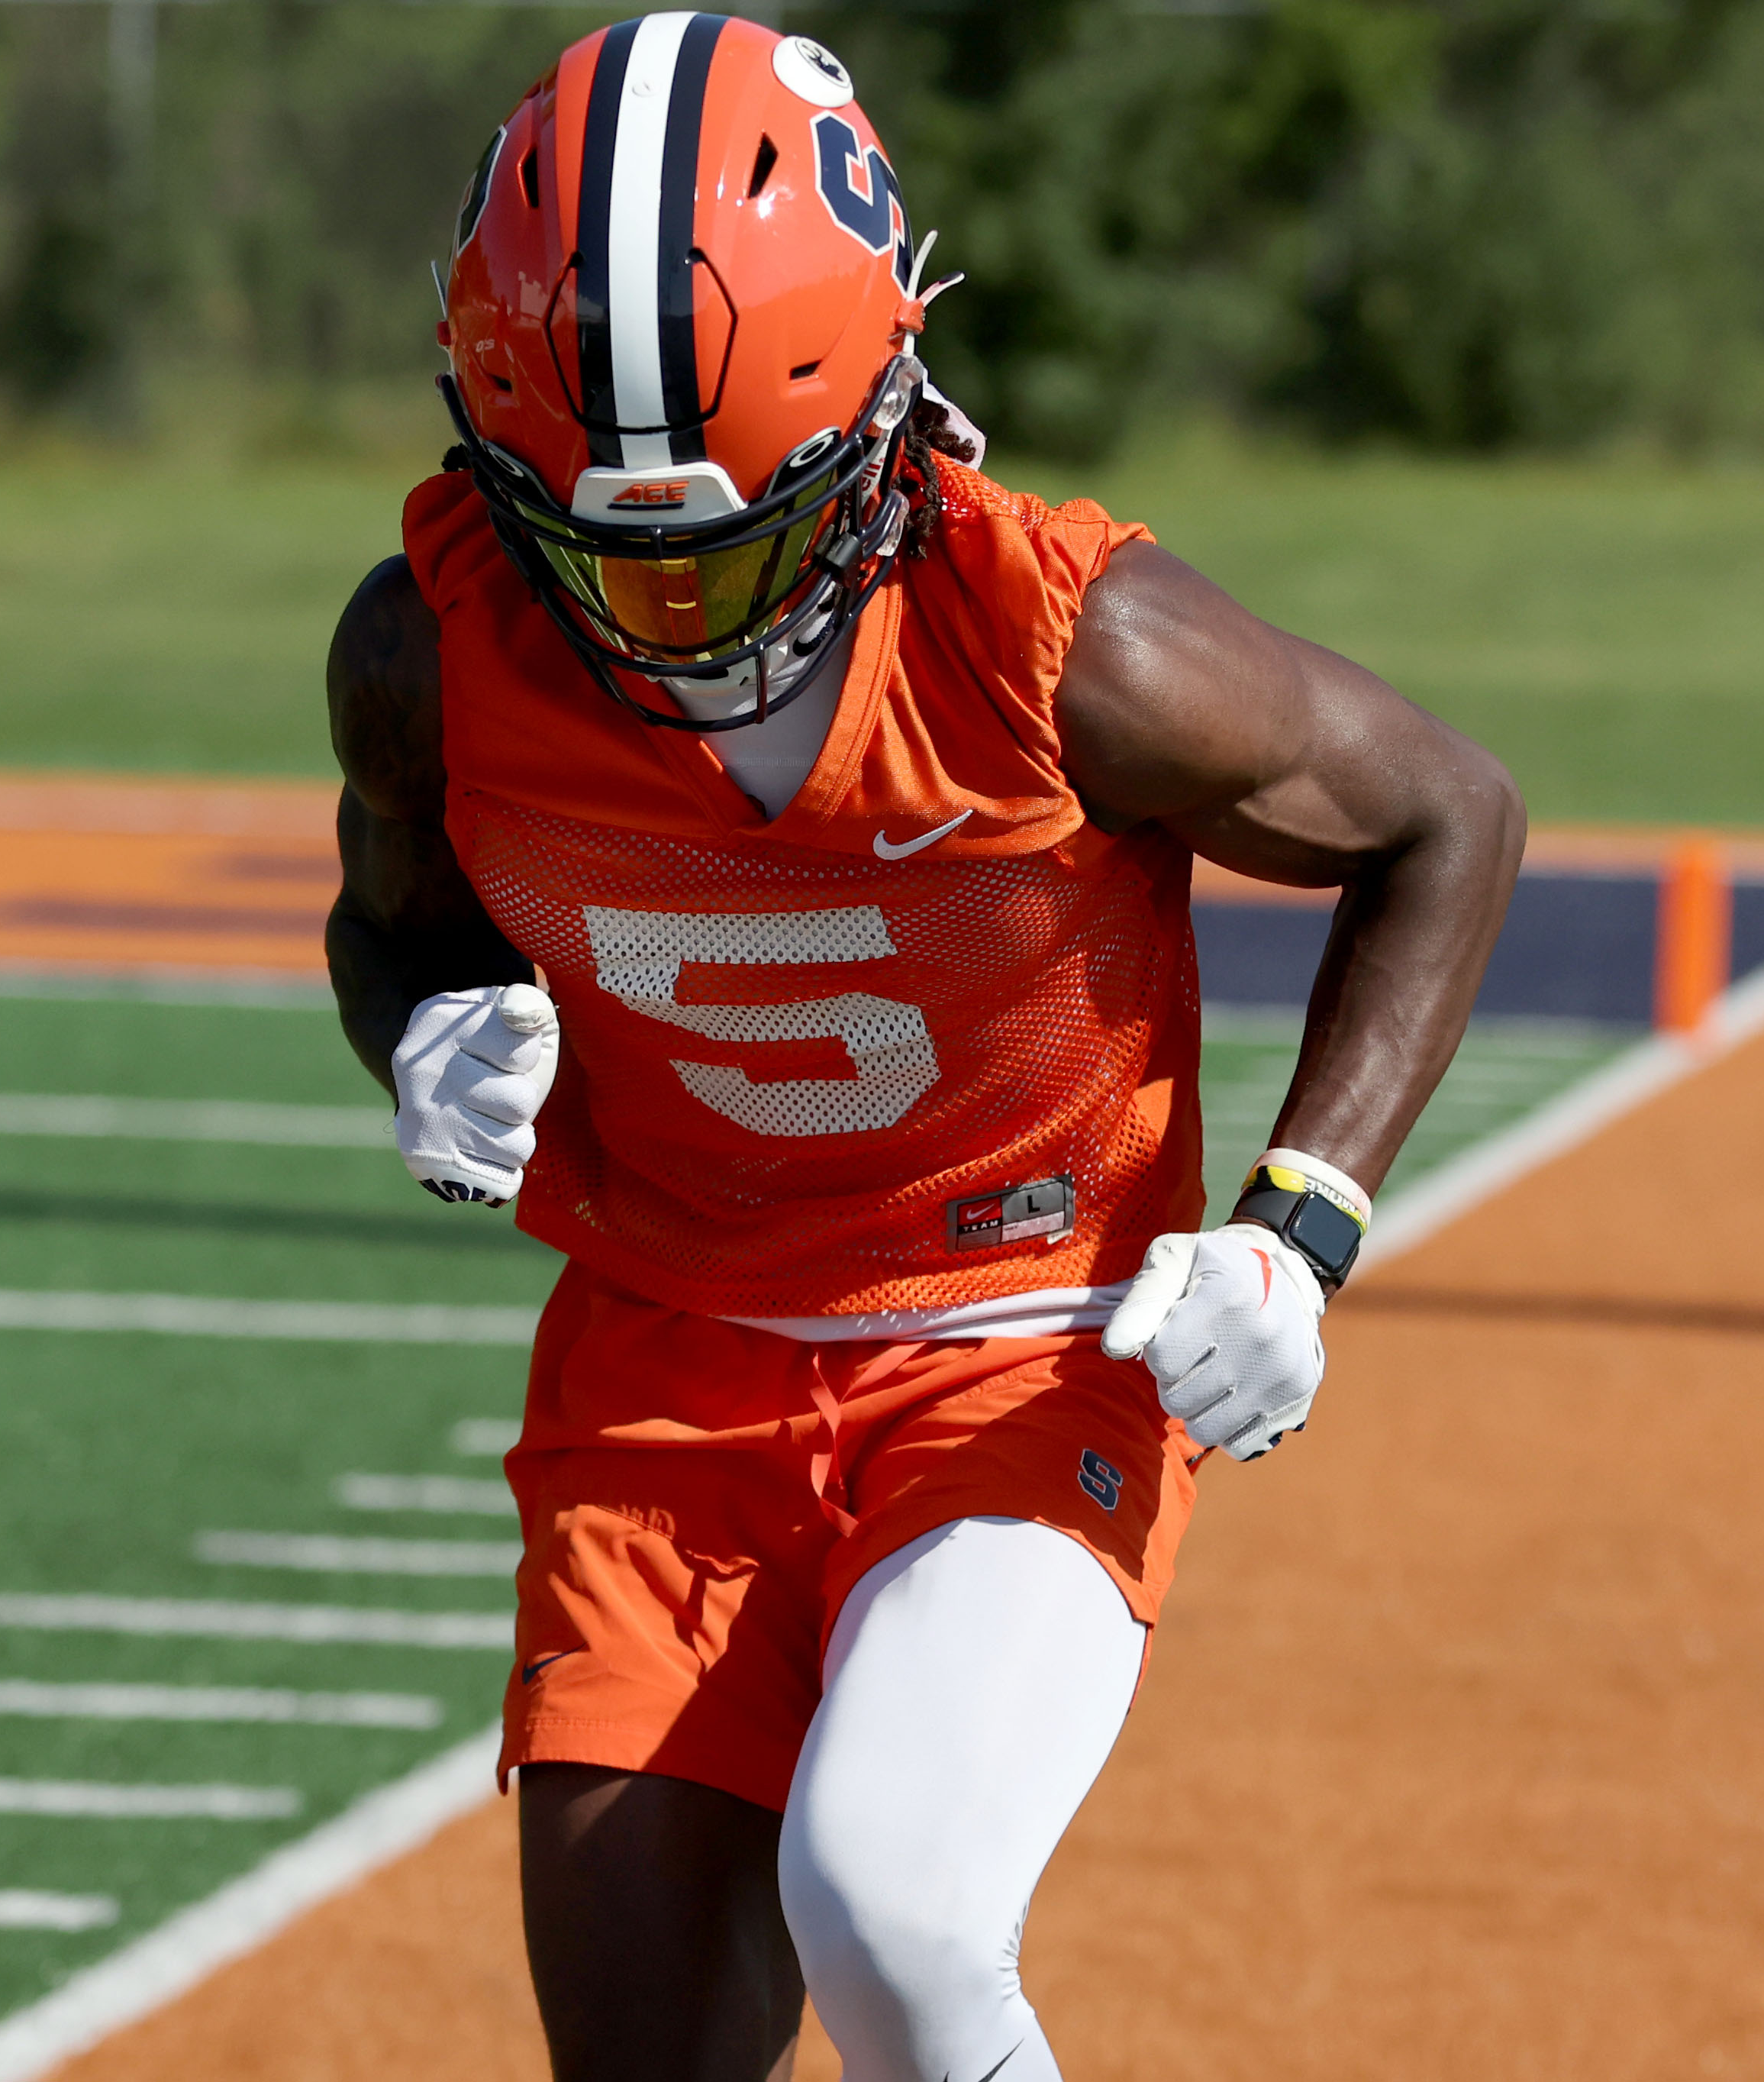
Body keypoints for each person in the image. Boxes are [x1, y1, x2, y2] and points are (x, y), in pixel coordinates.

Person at [324, 16, 1523, 2080]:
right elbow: (399, 937)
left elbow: (1448, 814)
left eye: (735, 540)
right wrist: (421, 1032)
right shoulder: (431, 650)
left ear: (887, 424)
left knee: (894, 1908)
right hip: (663, 1376)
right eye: (607, 546)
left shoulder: (1066, 640)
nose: (674, 620)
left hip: (1019, 1331)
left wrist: (1292, 1232)